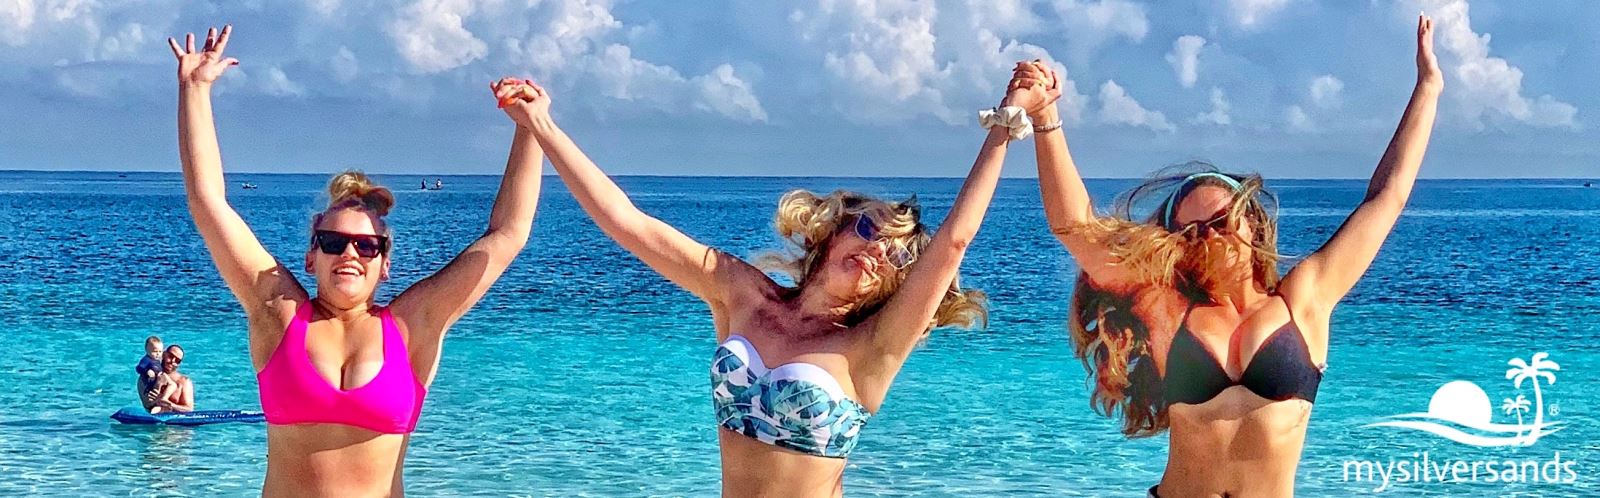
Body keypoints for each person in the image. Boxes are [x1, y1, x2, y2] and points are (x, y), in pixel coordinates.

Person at [515, 69, 1046, 495]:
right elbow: (628, 223)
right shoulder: (742, 294)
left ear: (892, 288)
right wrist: (542, 126)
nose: (875, 252)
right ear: (832, 233)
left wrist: (1007, 121)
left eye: (894, 257)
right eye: (868, 228)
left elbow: (954, 240)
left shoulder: (871, 347)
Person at [1019, 15, 1442, 497]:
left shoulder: (1304, 298)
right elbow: (1075, 227)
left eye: (1220, 222)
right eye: (1192, 231)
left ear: (1251, 222)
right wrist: (1046, 119)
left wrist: (1428, 86)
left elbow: (1386, 197)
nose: (1210, 238)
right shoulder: (1167, 307)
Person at [169, 24, 544, 496]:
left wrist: (528, 129)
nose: (350, 253)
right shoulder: (279, 314)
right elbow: (208, 204)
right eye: (334, 242)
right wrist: (195, 90)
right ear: (311, 256)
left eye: (367, 246)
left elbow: (508, 234)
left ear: (384, 262)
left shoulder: (413, 326)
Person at [148, 345, 195, 414]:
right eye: (171, 356)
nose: (173, 361)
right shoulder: (150, 376)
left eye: (177, 360)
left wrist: (169, 404)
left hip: (176, 422)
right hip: (152, 421)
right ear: (164, 354)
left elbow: (189, 409)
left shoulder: (183, 381)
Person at [136, 336, 164, 410]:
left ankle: (158, 406)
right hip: (145, 384)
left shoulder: (157, 360)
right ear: (147, 350)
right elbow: (138, 368)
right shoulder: (146, 360)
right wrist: (147, 371)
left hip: (152, 383)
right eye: (155, 351)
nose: (158, 354)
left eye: (160, 351)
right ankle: (150, 407)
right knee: (148, 398)